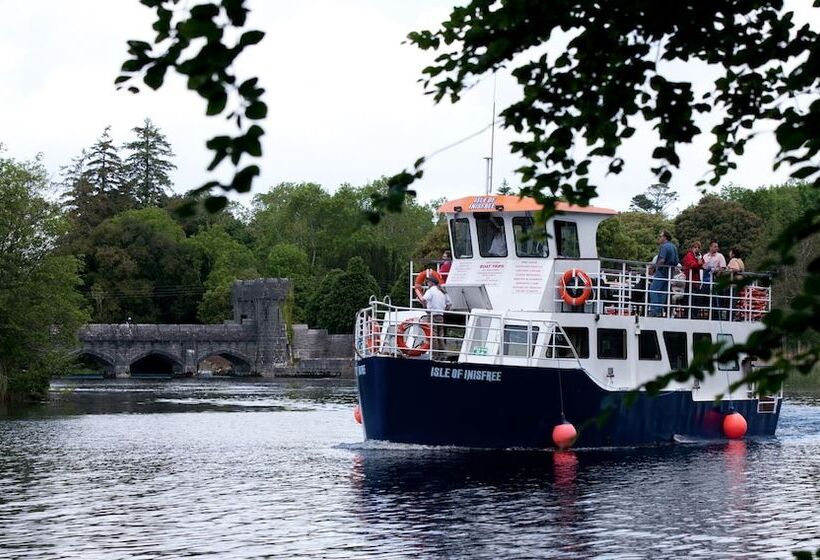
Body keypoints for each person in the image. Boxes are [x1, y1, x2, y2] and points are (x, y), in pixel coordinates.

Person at [648, 230, 678, 317]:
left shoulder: (664, 247)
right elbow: (676, 261)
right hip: (670, 272)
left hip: (662, 272)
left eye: (661, 236)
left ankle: (655, 310)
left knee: (654, 290)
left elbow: (662, 259)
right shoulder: (674, 247)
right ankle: (659, 311)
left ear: (665, 237)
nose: (659, 238)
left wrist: (654, 267)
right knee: (663, 292)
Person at [422, 276, 449, 358]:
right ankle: (443, 354)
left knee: (433, 335)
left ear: (431, 283)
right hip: (441, 315)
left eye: (427, 282)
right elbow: (449, 304)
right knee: (440, 335)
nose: (427, 284)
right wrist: (444, 310)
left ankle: (434, 355)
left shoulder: (430, 291)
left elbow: (424, 300)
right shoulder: (442, 291)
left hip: (432, 315)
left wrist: (425, 308)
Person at [681, 240, 705, 317]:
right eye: (695, 247)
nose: (697, 249)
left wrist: (700, 262)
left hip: (697, 282)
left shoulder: (698, 256)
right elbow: (692, 265)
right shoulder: (689, 255)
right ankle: (688, 315)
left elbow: (703, 264)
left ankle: (694, 315)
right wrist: (699, 263)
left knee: (696, 300)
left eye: (698, 247)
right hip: (690, 281)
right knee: (689, 300)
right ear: (692, 248)